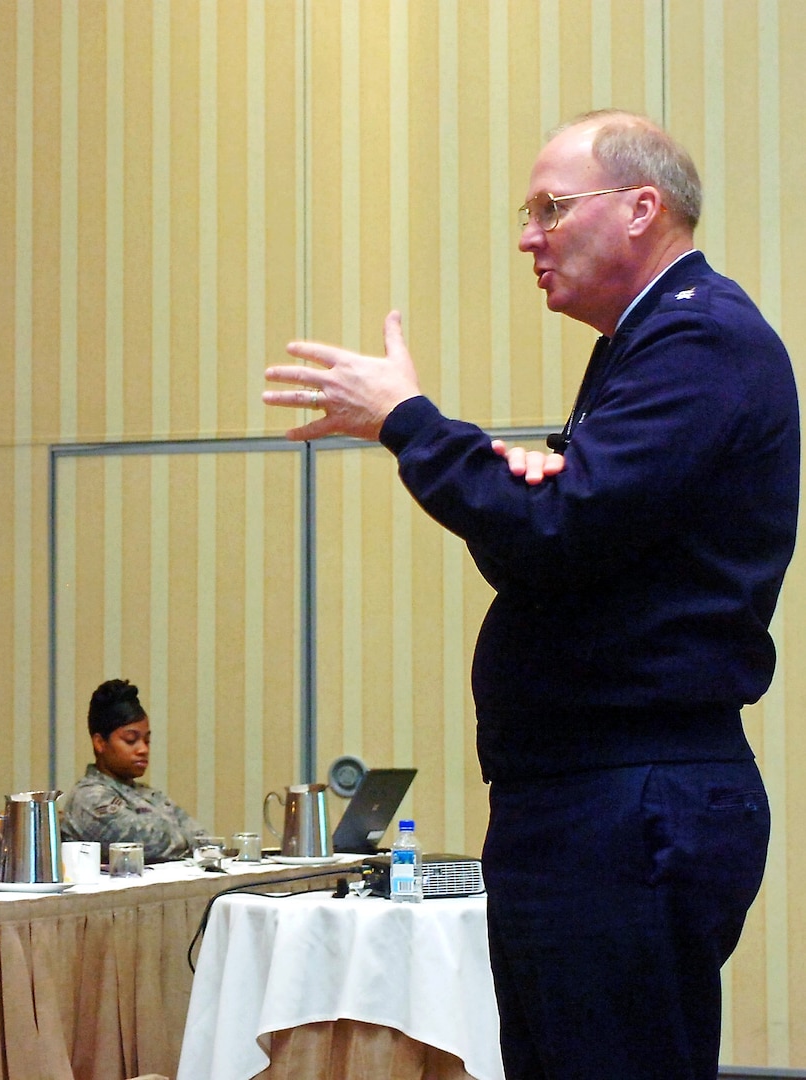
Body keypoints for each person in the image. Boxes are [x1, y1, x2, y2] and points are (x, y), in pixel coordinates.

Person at [263, 111, 796, 1080]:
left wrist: (410, 424)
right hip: (593, 799)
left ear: (642, 210)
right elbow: (541, 553)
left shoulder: (699, 343)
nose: (526, 237)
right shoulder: (647, 349)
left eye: (550, 209)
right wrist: (521, 491)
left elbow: (555, 530)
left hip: (628, 800)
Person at [59, 678, 203, 862]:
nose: (143, 749)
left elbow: (205, 840)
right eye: (130, 740)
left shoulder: (149, 794)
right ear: (100, 742)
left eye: (147, 740)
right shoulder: (88, 798)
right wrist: (188, 842)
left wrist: (189, 843)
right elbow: (148, 846)